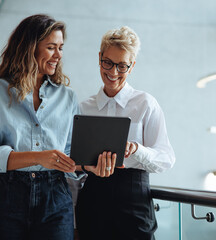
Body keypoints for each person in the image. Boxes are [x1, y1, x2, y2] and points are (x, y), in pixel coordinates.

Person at [0, 14, 116, 240]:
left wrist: (88, 167)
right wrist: (39, 157)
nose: (58, 55)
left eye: (60, 47)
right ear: (29, 48)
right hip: (3, 196)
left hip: (55, 198)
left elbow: (70, 154)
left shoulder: (67, 97)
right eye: (51, 47)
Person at [75, 26, 176, 240]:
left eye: (122, 66)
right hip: (92, 197)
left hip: (134, 196)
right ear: (100, 58)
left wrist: (137, 150)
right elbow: (71, 160)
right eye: (108, 63)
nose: (113, 72)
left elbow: (166, 159)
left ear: (132, 67)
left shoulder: (146, 103)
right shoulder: (83, 108)